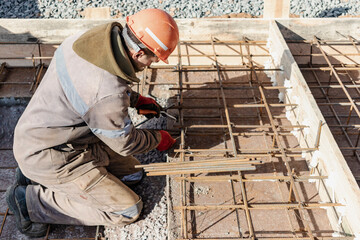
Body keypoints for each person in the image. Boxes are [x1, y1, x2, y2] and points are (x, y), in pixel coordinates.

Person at [6, 8, 179, 237]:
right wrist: (158, 139)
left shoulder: (90, 40)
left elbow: (96, 89)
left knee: (133, 174)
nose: (153, 63)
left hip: (51, 135)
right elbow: (125, 143)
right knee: (127, 209)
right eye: (153, 57)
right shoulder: (106, 95)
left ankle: (31, 176)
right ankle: (29, 203)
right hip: (51, 155)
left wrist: (135, 100)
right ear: (137, 53)